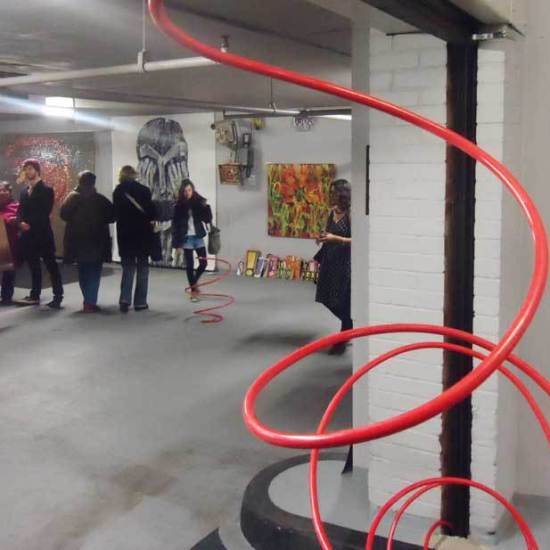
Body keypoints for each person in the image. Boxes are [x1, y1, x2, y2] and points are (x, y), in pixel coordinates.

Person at [60, 171, 115, 313]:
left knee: (83, 271)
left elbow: (63, 215)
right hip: (97, 241)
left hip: (77, 241)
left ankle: (87, 300)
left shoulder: (72, 198)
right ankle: (90, 301)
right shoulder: (100, 199)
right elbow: (112, 216)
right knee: (94, 272)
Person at [16, 159, 64, 308]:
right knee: (33, 266)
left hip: (42, 234)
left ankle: (58, 296)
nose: (28, 171)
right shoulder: (24, 191)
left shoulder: (47, 190)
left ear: (37, 170)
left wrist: (29, 224)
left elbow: (44, 211)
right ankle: (34, 295)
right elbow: (20, 210)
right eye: (26, 169)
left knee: (51, 265)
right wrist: (20, 222)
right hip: (28, 236)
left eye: (30, 168)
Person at [315, 179, 352, 355]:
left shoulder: (351, 214)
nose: (330, 195)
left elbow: (358, 239)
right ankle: (349, 325)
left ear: (342, 194)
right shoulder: (332, 213)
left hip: (344, 262)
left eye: (334, 192)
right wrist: (322, 237)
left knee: (342, 300)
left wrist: (336, 239)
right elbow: (329, 232)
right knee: (326, 297)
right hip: (329, 260)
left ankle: (345, 332)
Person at [113, 165, 155, 313]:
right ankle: (140, 302)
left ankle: (125, 299)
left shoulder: (118, 192)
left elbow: (115, 214)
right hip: (142, 235)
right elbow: (151, 212)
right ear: (134, 175)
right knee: (143, 268)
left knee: (128, 268)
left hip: (125, 236)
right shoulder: (144, 190)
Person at [172, 179, 212, 302]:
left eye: (189, 190)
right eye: (185, 191)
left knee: (203, 263)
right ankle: (194, 291)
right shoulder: (179, 206)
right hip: (186, 238)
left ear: (192, 190)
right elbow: (175, 226)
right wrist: (177, 245)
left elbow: (207, 219)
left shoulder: (198, 202)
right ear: (182, 192)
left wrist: (207, 208)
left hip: (198, 236)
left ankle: (193, 283)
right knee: (189, 265)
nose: (187, 193)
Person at [0, 181, 19, 305]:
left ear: (10, 192)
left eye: (4, 190)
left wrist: (14, 221)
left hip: (10, 244)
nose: (2, 193)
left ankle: (6, 296)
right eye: (0, 190)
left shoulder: (16, 206)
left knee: (8, 271)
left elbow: (21, 221)